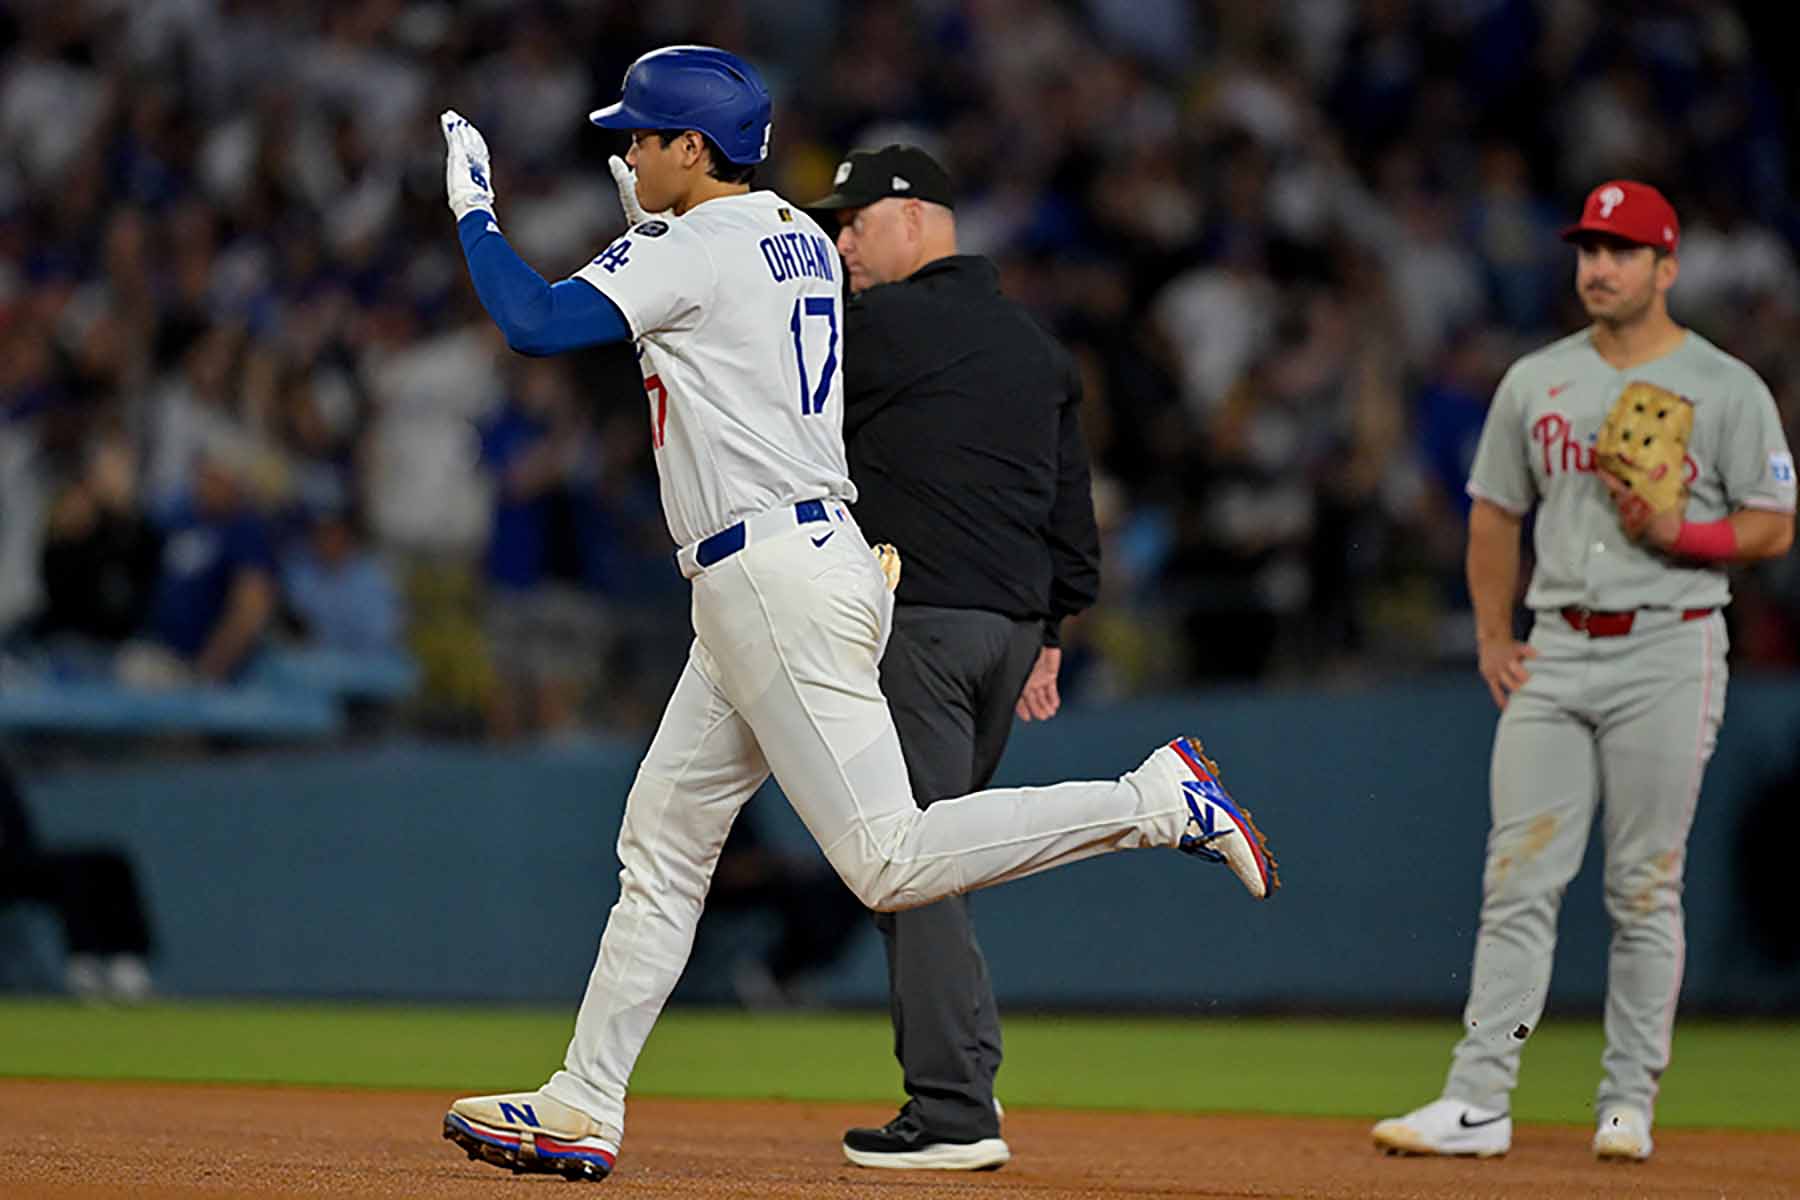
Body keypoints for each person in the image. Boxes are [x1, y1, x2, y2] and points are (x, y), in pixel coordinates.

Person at [433, 46, 1278, 1183]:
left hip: (773, 574)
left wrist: (477, 212)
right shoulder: (786, 228)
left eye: (642, 136)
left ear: (692, 148)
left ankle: (1153, 800)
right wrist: (645, 216)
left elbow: (535, 322)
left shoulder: (702, 245)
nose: (626, 150)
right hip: (786, 567)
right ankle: (584, 1100)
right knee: (665, 846)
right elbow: (705, 279)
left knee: (883, 858)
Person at [1372, 180, 1795, 1163]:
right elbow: (1491, 513)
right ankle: (1478, 1100)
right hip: (1556, 644)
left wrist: (1680, 529)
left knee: (1644, 885)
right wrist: (1490, 635)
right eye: (1588, 249)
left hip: (1671, 641)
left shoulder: (1726, 385)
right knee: (1517, 877)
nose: (1598, 266)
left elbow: (1774, 523)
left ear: (1666, 266)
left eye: (1621, 249)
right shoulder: (1536, 380)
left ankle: (1626, 1101)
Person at [804, 145, 1099, 1171]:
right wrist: (1052, 635)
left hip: (918, 626)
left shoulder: (874, 326)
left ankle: (956, 1108)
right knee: (929, 854)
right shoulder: (1035, 348)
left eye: (855, 221)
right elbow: (1070, 505)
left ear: (918, 218)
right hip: (1010, 638)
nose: (840, 240)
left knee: (910, 861)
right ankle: (956, 1090)